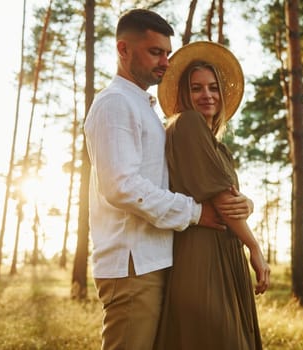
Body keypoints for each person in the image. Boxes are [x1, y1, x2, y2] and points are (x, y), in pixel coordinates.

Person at [84, 10, 252, 350]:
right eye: (155, 52)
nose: (165, 61)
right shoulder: (115, 104)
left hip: (155, 258)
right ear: (123, 49)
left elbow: (176, 179)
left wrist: (241, 202)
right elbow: (121, 186)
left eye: (166, 52)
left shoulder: (143, 107)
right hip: (132, 265)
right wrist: (194, 212)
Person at [155, 41, 271, 350]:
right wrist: (255, 248)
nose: (206, 95)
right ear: (184, 94)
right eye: (196, 89)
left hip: (224, 254)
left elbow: (230, 199)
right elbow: (221, 200)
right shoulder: (187, 123)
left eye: (212, 88)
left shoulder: (220, 148)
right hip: (203, 256)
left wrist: (248, 203)